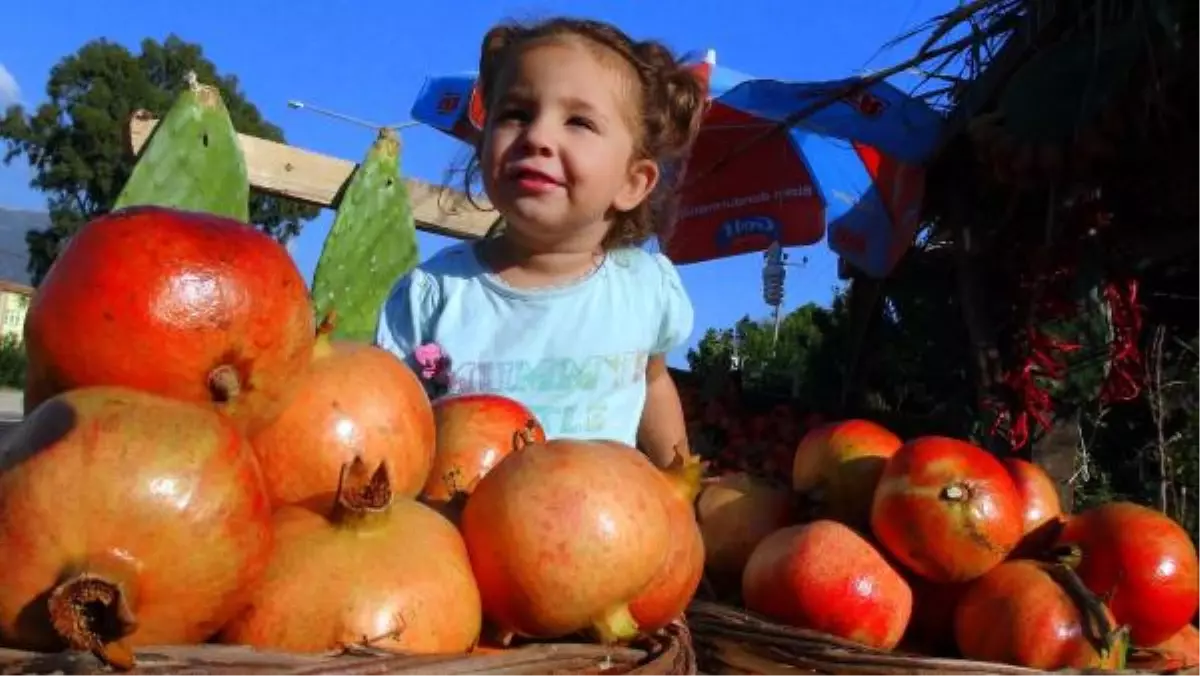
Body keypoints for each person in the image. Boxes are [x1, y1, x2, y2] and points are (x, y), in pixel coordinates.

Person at [375, 17, 705, 468]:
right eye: (515, 114)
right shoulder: (434, 295)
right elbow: (392, 412)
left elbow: (651, 381)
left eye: (579, 122)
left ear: (633, 182)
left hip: (607, 527)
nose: (537, 136)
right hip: (465, 525)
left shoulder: (643, 289)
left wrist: (678, 474)